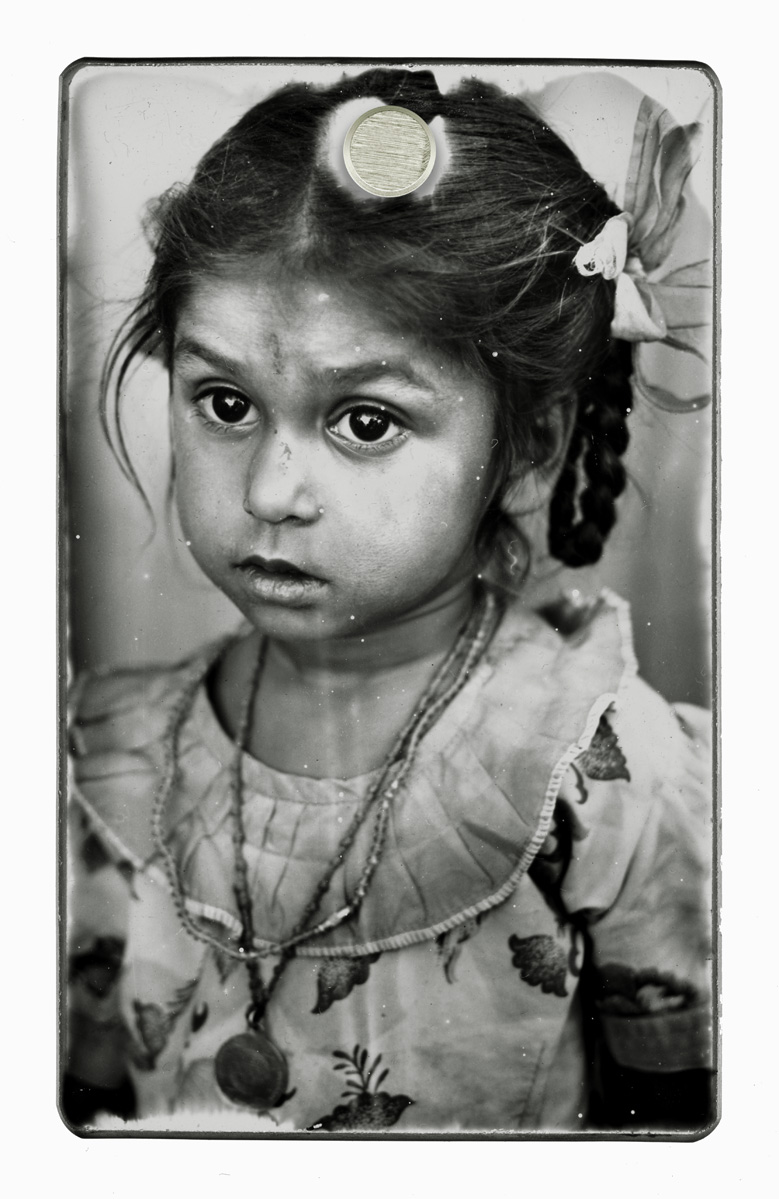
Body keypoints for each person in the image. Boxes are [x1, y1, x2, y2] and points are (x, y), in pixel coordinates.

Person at [64, 66, 714, 1134]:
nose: (269, 492)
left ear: (527, 446)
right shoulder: (107, 759)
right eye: (223, 401)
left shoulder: (601, 783)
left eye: (364, 421)